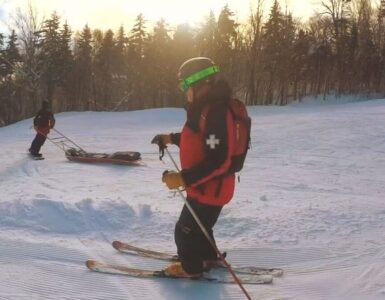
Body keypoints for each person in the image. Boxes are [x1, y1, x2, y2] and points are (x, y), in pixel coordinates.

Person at [152, 57, 238, 278]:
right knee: (201, 227)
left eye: (186, 86)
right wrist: (170, 138)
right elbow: (199, 139)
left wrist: (184, 178)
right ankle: (207, 258)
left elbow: (218, 159)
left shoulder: (216, 112)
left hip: (210, 188)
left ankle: (191, 268)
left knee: (185, 231)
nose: (184, 91)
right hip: (208, 187)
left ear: (201, 84)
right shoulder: (207, 109)